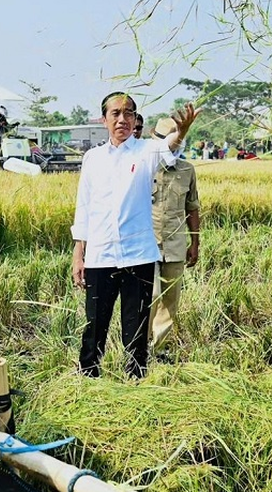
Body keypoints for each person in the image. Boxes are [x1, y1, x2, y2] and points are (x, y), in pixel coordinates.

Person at [71, 91, 201, 379]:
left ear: (135, 119)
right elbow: (85, 208)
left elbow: (171, 147)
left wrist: (182, 131)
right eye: (115, 113)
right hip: (101, 255)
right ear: (104, 119)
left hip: (138, 255)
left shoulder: (146, 152)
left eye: (128, 113)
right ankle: (88, 376)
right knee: (95, 323)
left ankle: (135, 378)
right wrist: (79, 254)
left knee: (137, 324)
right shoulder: (92, 159)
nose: (122, 119)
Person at [148, 118, 201, 352]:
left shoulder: (187, 170)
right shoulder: (145, 167)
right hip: (146, 243)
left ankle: (158, 349)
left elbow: (192, 207)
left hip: (175, 244)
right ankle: (138, 347)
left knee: (170, 298)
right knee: (150, 295)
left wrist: (195, 242)